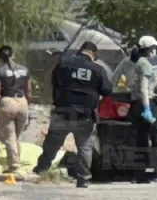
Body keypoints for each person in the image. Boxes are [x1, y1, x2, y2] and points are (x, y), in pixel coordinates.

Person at [34, 40, 112, 188]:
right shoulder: (98, 70)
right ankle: (83, 179)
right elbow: (108, 91)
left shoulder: (64, 64)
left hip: (63, 112)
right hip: (85, 116)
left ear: (80, 50)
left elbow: (54, 80)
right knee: (84, 148)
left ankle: (41, 170)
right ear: (93, 55)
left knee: (52, 144)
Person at [129, 35, 157, 184]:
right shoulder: (145, 64)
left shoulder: (137, 63)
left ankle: (139, 174)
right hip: (146, 103)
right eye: (154, 48)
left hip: (135, 104)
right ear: (148, 50)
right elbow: (143, 88)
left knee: (140, 139)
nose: (155, 51)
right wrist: (147, 108)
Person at [0, 45, 31, 174]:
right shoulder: (24, 70)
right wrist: (26, 104)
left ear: (0, 58)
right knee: (16, 137)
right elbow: (29, 91)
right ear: (13, 55)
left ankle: (14, 166)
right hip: (22, 101)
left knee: (10, 137)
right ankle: (17, 161)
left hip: (7, 102)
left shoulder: (0, 71)